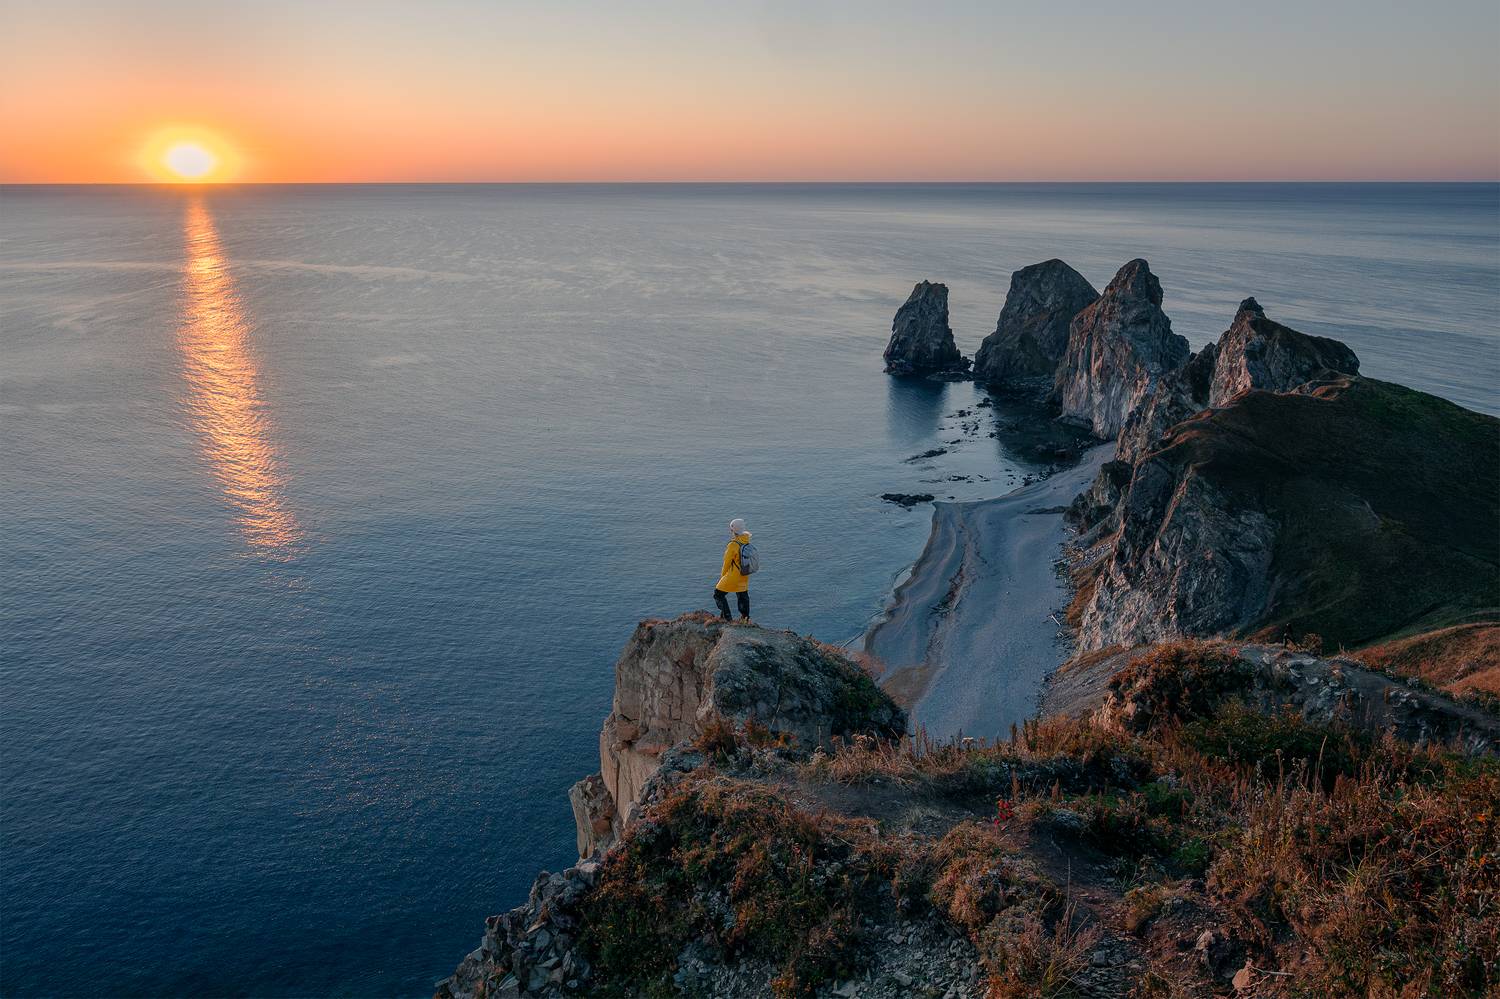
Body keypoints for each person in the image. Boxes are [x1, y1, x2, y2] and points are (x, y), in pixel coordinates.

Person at [712, 518, 752, 621]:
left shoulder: (733, 544)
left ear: (733, 531)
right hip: (744, 575)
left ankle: (727, 618)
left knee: (718, 595)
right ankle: (745, 619)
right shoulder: (747, 541)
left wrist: (723, 576)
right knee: (742, 596)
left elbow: (727, 563)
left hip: (733, 575)